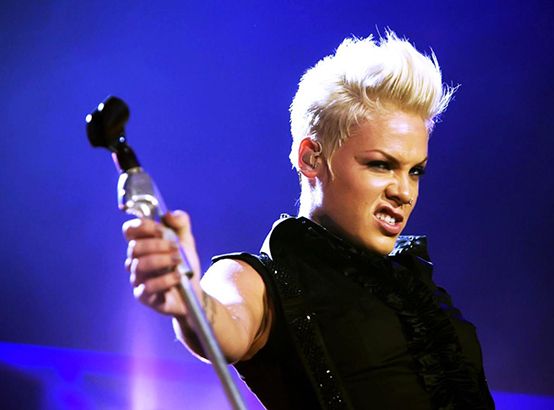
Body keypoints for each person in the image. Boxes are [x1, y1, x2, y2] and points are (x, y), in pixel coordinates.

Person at [123, 31, 495, 409]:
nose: (405, 191)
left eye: (415, 171)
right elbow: (224, 323)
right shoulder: (261, 279)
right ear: (311, 159)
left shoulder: (413, 283)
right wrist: (191, 302)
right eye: (381, 165)